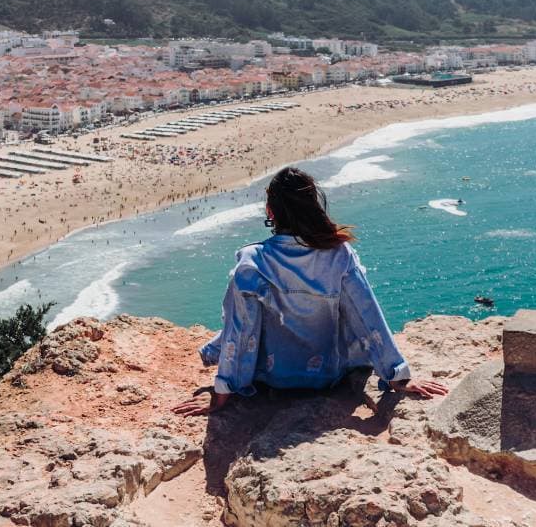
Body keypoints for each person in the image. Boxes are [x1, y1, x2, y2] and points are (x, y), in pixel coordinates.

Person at [172, 166, 447, 416]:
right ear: (313, 207)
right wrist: (398, 375)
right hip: (327, 375)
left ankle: (212, 351)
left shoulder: (252, 261)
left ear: (270, 211)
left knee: (238, 324)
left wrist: (224, 390)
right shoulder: (339, 255)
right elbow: (366, 316)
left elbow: (241, 329)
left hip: (270, 377)